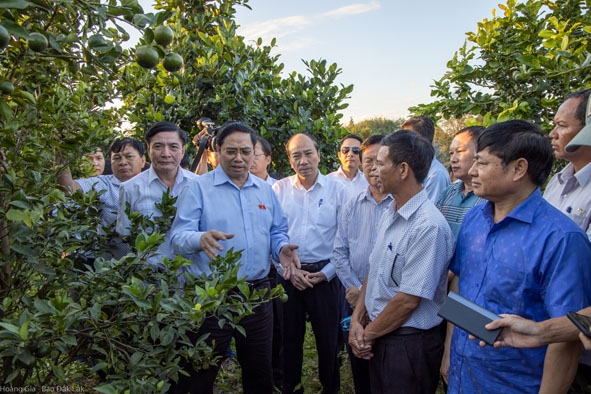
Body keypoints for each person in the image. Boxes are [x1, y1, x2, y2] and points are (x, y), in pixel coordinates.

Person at [442, 120, 591, 394]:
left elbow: (567, 336)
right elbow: (460, 283)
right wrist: (450, 351)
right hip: (465, 375)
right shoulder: (475, 218)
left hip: (516, 383)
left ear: (519, 168)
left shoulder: (560, 239)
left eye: (482, 163)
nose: (472, 171)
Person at [170, 121, 300, 394]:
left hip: (257, 296)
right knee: (199, 373)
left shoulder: (265, 190)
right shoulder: (198, 188)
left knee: (259, 371)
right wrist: (199, 238)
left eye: (245, 151)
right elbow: (178, 237)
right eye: (230, 151)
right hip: (210, 298)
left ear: (255, 153)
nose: (238, 158)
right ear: (217, 151)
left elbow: (277, 230)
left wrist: (281, 248)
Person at [348, 130, 454, 394]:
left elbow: (408, 300)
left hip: (408, 345)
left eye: (380, 164)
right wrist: (356, 321)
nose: (372, 170)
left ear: (403, 169)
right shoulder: (390, 211)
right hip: (380, 333)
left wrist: (367, 335)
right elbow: (374, 271)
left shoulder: (428, 226)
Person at [272, 133, 349, 394]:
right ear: (289, 159)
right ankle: (291, 388)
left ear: (318, 154)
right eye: (296, 155)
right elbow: (271, 234)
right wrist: (287, 271)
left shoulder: (339, 191)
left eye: (308, 153)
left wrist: (326, 274)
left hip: (325, 276)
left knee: (328, 342)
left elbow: (344, 240)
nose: (303, 161)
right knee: (288, 341)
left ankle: (331, 388)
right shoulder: (279, 190)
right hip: (288, 276)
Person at [333, 134, 393, 394]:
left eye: (380, 161)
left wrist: (370, 297)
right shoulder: (351, 206)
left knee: (389, 374)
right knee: (361, 373)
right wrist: (357, 293)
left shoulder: (402, 207)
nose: (373, 167)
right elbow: (339, 253)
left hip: (391, 307)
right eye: (368, 160)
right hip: (355, 302)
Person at [116, 121, 198, 264]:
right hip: (150, 277)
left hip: (192, 276)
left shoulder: (198, 185)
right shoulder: (130, 189)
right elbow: (125, 234)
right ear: (148, 150)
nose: (166, 154)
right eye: (158, 146)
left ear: (183, 151)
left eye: (173, 147)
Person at [57, 137, 146, 258]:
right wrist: (60, 152)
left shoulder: (155, 185)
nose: (123, 162)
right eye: (117, 158)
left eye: (129, 157)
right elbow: (68, 189)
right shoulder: (103, 184)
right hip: (110, 268)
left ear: (143, 160)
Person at [250, 134, 282, 389]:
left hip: (270, 275)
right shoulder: (205, 188)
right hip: (228, 282)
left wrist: (282, 251)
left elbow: (278, 230)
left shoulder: (274, 190)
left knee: (271, 340)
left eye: (251, 153)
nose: (245, 159)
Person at [436, 126, 487, 238]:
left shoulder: (490, 198)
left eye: (459, 151)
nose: (453, 159)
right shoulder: (447, 194)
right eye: (451, 153)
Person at [401, 115, 450, 201]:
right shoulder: (413, 169)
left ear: (423, 141)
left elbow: (430, 212)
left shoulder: (436, 175)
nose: (403, 143)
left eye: (409, 138)